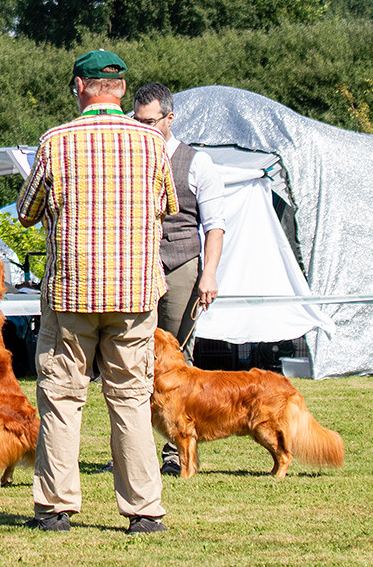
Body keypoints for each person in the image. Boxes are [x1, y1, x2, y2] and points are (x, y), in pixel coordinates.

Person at [17, 50, 177, 535]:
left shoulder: (56, 141)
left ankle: (56, 507)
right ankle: (144, 510)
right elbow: (167, 206)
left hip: (72, 292)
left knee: (62, 398)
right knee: (131, 398)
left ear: (78, 86)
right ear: (122, 89)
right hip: (134, 291)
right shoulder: (152, 143)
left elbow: (27, 210)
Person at [132, 82, 226, 476]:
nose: (142, 128)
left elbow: (215, 225)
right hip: (136, 268)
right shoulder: (130, 155)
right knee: (131, 355)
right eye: (136, 120)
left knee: (176, 360)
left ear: (170, 118)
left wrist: (209, 275)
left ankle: (176, 448)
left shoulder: (198, 163)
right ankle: (134, 446)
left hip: (182, 265)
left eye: (150, 121)